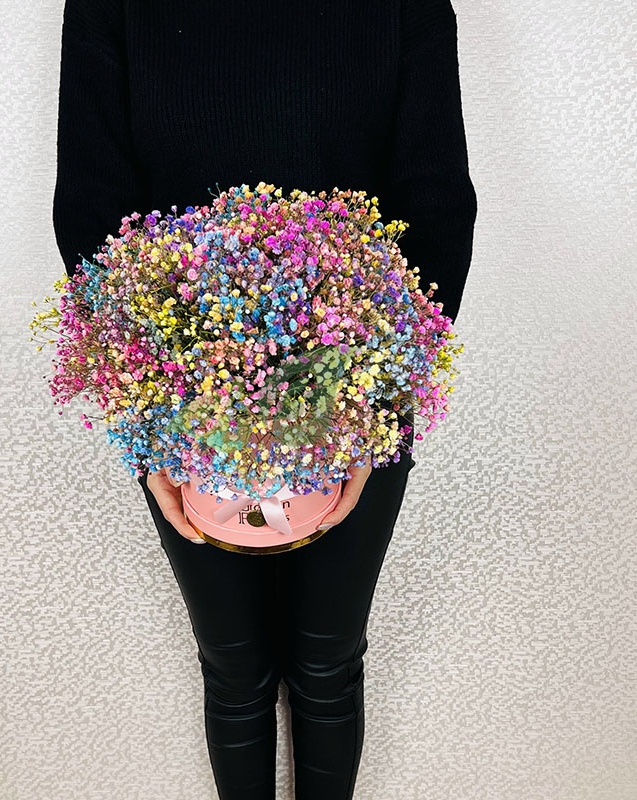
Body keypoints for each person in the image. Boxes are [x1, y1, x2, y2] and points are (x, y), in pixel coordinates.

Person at [52, 1, 477, 797]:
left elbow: (437, 203)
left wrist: (372, 409)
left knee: (328, 662)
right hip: (182, 401)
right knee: (234, 668)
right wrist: (148, 420)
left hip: (359, 382)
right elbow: (91, 203)